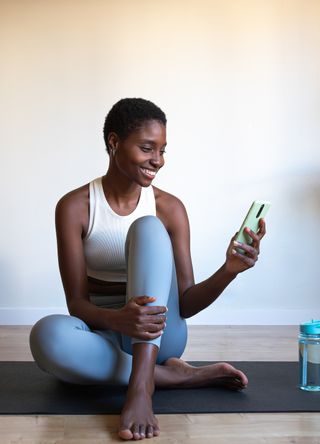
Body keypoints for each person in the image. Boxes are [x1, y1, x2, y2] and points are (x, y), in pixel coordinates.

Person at [29, 98, 266, 441]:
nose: (158, 160)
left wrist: (229, 270)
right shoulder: (75, 207)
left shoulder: (169, 209)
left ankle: (141, 388)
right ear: (114, 142)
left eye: (162, 150)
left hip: (160, 335)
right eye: (146, 148)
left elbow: (185, 304)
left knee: (147, 228)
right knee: (45, 337)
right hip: (104, 332)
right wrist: (117, 319)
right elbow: (77, 305)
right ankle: (176, 377)